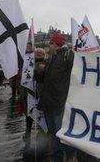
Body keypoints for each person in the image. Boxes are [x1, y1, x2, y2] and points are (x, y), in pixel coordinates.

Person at [39, 34, 76, 162]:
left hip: (60, 102)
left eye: (50, 44)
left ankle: (71, 156)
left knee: (62, 134)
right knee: (54, 134)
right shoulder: (52, 58)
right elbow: (44, 79)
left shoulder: (67, 55)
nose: (49, 46)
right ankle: (57, 158)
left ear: (55, 44)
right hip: (49, 102)